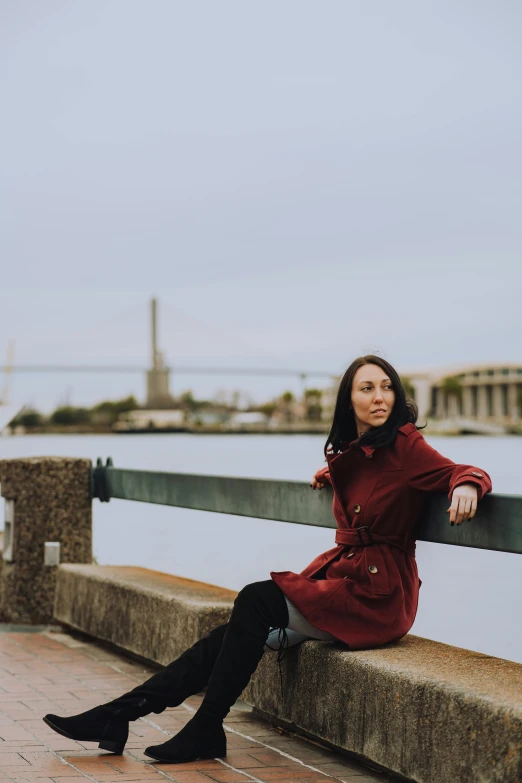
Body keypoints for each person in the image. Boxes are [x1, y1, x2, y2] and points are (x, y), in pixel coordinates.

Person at [43, 355, 492, 764]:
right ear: (349, 400)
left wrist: (468, 485)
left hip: (377, 594)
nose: (379, 397)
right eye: (367, 388)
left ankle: (203, 728)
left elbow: (458, 470)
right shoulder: (355, 451)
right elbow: (371, 475)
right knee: (231, 634)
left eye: (387, 387)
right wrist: (331, 472)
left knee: (256, 601)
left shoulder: (407, 445)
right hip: (346, 580)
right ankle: (117, 715)